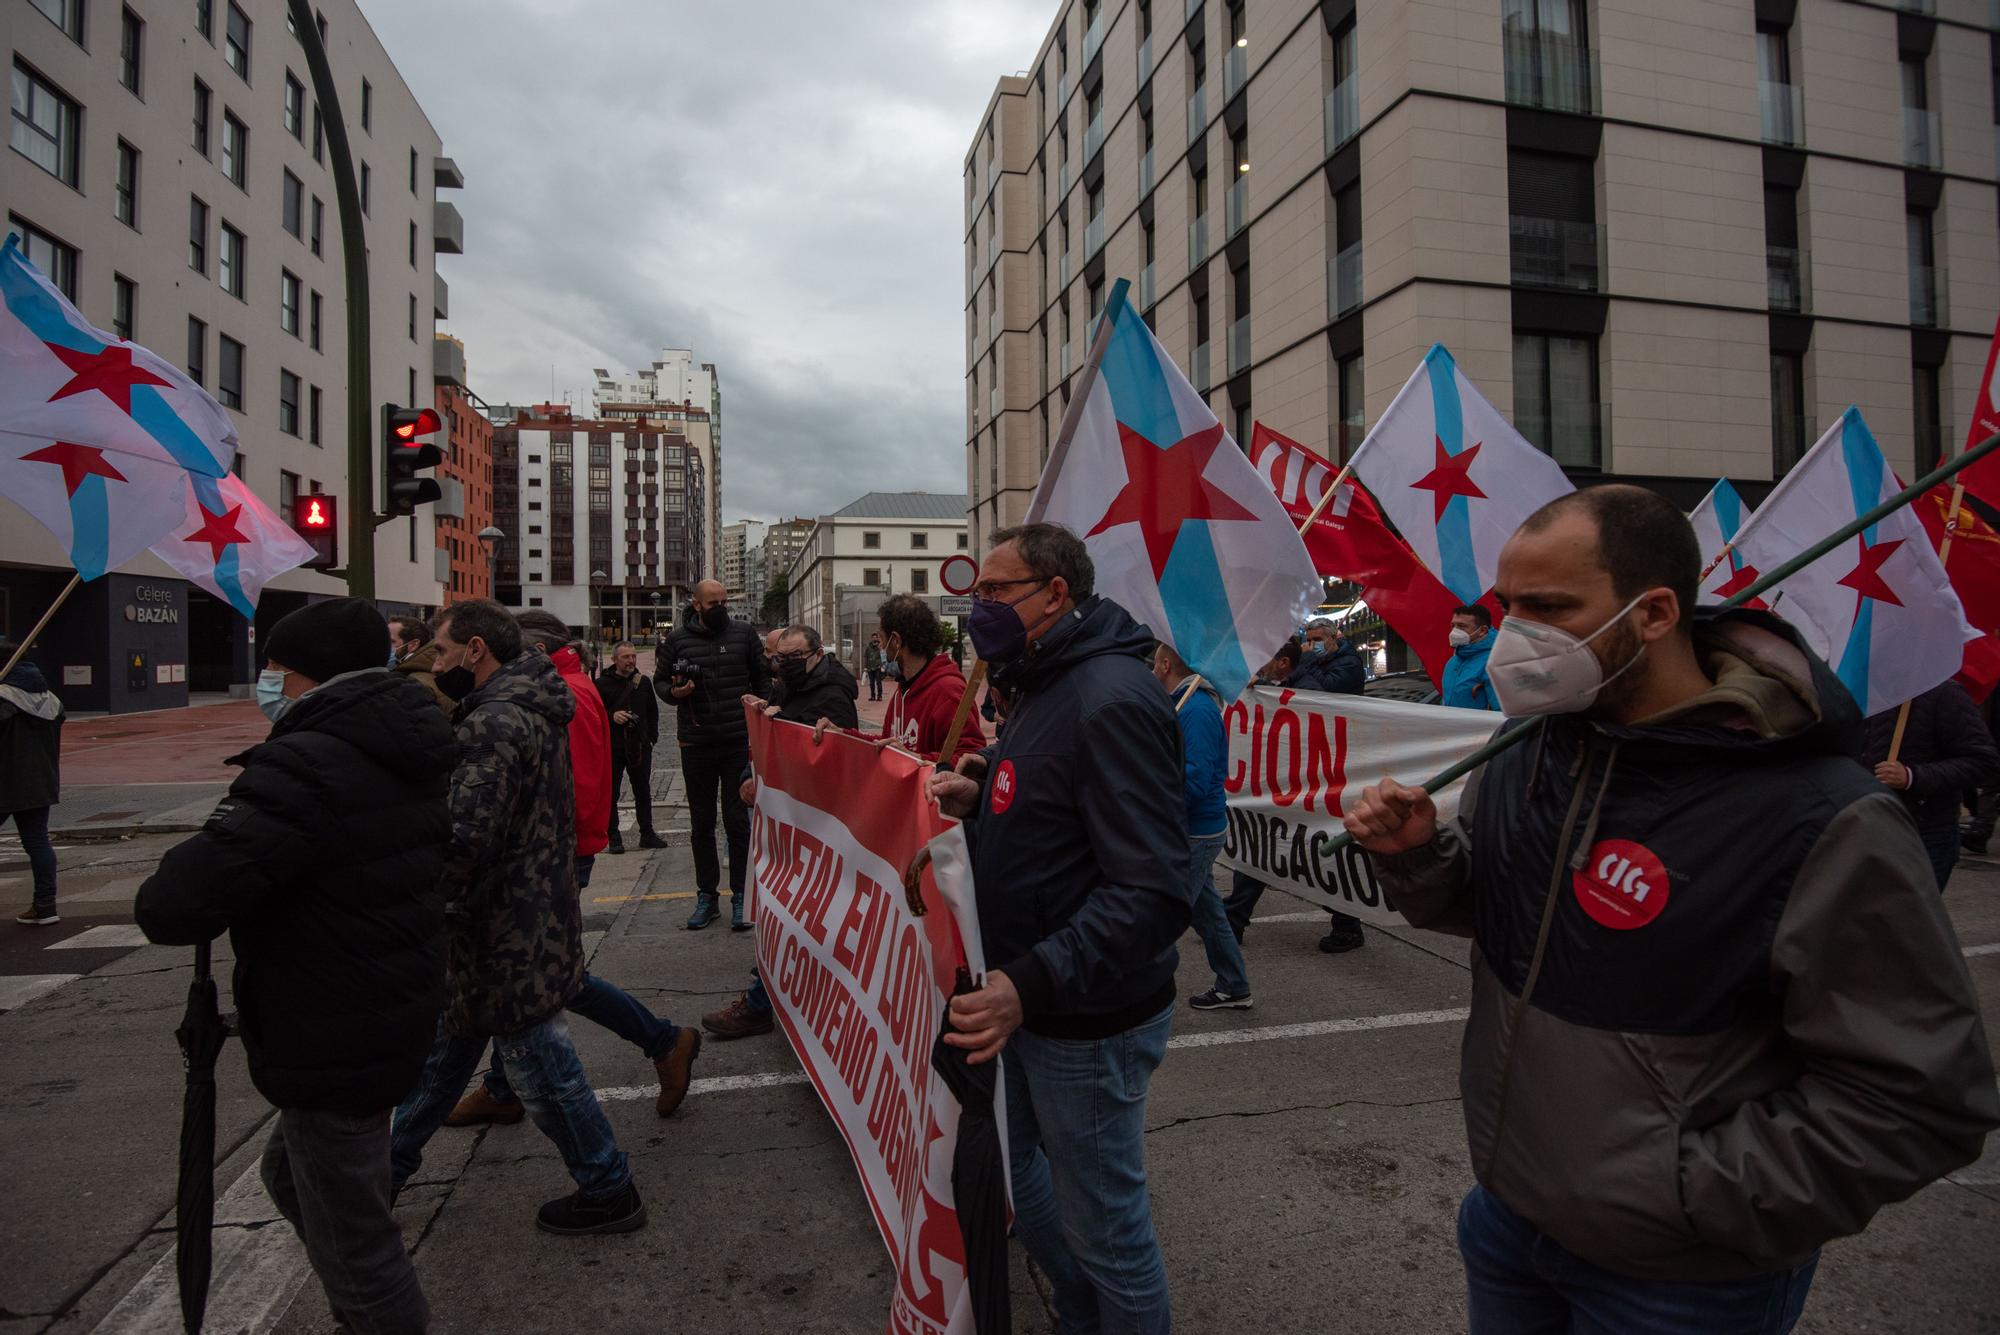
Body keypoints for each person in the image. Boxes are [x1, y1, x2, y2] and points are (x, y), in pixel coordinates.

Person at [1342, 485, 1999, 1334]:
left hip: (1682, 1283)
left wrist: (1689, 1197)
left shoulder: (1820, 816)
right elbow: (1502, 916)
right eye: (1509, 607)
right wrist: (1418, 855)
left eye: (1548, 607)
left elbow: (1921, 1095)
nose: (1512, 636)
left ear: (1654, 612)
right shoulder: (1533, 751)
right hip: (1508, 1222)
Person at [134, 599, 452, 1331]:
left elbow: (177, 903)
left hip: (334, 1026)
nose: (266, 682)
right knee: (290, 1175)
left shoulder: (307, 760)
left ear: (306, 674)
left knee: (359, 1247)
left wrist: (201, 849)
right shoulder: (396, 738)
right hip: (380, 1001)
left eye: (274, 669)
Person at [930, 523, 1190, 1334]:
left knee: (1110, 1234)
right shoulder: (1044, 681)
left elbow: (1153, 889)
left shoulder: (1108, 697)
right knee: (1018, 1171)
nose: (981, 608)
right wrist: (982, 808)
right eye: (975, 595)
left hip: (1087, 1020)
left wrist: (1028, 980)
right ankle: (1083, 1315)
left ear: (1055, 593)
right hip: (1035, 1002)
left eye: (997, 591)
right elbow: (1051, 818)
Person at [386, 599, 647, 1236]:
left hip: (505, 924)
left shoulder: (495, 721)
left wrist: (406, 893)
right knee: (446, 1057)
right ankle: (380, 1176)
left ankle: (608, 1185)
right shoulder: (528, 705)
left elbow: (466, 837)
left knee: (542, 1069)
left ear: (477, 650)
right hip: (516, 914)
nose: (436, 664)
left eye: (442, 652)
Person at [437, 612, 700, 1128]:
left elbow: (565, 786)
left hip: (549, 858)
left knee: (552, 981)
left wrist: (565, 849)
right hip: (555, 853)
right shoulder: (566, 687)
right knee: (534, 983)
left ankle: (664, 1040)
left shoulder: (562, 693)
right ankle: (502, 1085)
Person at [704, 624, 862, 1040]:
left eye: (791, 659)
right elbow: (764, 746)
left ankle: (762, 1002)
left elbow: (833, 768)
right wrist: (750, 775)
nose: (782, 667)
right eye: (777, 659)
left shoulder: (833, 697)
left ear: (815, 654)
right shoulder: (784, 687)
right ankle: (770, 1000)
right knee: (783, 915)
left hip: (813, 830)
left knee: (796, 919)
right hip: (785, 826)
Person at [656, 579, 769, 930]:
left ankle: (740, 895)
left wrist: (764, 710)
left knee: (737, 822)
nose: (721, 606)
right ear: (697, 605)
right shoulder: (676, 640)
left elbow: (762, 677)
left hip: (736, 740)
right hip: (696, 742)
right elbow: (660, 683)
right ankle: (706, 895)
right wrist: (677, 692)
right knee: (701, 824)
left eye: (724, 600)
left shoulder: (744, 634)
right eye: (713, 602)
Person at [1154, 643, 1251, 1011]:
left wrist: (1155, 798)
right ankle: (1234, 985)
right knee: (1208, 914)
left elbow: (1193, 780)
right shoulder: (1187, 705)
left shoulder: (1194, 710)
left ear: (1165, 665)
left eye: (1154, 664)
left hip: (1196, 831)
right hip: (1194, 827)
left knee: (1162, 914)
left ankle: (1147, 998)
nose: (1151, 671)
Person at [1862, 679, 1998, 890]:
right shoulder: (1857, 690)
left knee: (1906, 920)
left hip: (1924, 833)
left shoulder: (1944, 693)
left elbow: (1982, 761)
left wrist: (1912, 776)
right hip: (1865, 829)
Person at [1289, 625, 1369, 952]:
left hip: (1340, 765)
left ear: (1335, 637)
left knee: (1332, 842)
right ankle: (1236, 912)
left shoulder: (1348, 666)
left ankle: (1347, 925)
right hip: (1319, 763)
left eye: (1317, 641)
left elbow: (1319, 693)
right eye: (1308, 641)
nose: (1312, 646)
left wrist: (1301, 661)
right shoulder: (1321, 663)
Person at [1220, 644, 1301, 941]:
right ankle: (1234, 919)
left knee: (1312, 855)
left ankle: (1347, 923)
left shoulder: (1310, 683)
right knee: (1256, 853)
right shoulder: (1266, 687)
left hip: (1300, 784)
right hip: (1274, 783)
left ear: (1283, 662)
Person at [877, 593, 986, 764]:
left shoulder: (948, 691)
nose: (881, 647)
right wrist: (841, 734)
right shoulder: (903, 690)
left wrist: (917, 759)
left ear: (896, 641)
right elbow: (885, 743)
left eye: (882, 639)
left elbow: (970, 758)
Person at [4, 640, 64, 927]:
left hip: (5, 781)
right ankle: (45, 904)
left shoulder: (4, 699)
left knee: (37, 842)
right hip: (41, 781)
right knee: (38, 842)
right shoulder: (50, 700)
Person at [595, 640, 665, 853]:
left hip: (640, 746)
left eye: (633, 656)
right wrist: (611, 716)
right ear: (615, 659)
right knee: (612, 793)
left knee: (643, 791)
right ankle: (614, 836)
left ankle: (647, 833)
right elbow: (594, 715)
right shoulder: (602, 684)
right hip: (613, 747)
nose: (631, 660)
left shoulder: (643, 682)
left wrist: (652, 738)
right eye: (626, 657)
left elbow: (652, 711)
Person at [386, 616, 454, 716]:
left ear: (413, 645)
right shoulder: (425, 669)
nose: (386, 645)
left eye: (392, 641)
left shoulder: (416, 683)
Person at [1441, 604, 1500, 711]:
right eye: (1453, 625)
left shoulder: (1494, 662)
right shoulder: (1453, 661)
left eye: (1461, 626)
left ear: (1482, 630)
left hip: (1484, 727)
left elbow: (1501, 712)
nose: (1454, 631)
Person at [1289, 621, 1365, 694]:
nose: (1312, 645)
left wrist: (1307, 657)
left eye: (1317, 639)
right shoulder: (1314, 660)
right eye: (1309, 641)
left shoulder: (1350, 663)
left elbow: (1326, 689)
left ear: (1333, 638)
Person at [864, 632, 885, 703]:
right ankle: (872, 696)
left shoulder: (880, 647)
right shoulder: (868, 647)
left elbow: (883, 656)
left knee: (878, 682)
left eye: (876, 637)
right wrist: (865, 667)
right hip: (870, 667)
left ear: (877, 638)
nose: (874, 639)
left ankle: (879, 696)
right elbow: (866, 657)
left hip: (877, 667)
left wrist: (882, 665)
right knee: (871, 683)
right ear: (871, 638)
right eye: (873, 637)